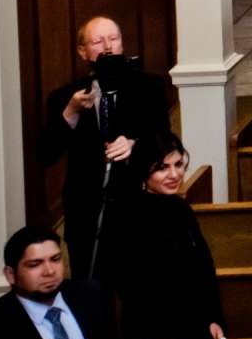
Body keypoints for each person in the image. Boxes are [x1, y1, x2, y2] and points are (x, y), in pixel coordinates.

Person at [39, 14, 170, 276]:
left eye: (114, 39)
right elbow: (47, 154)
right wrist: (71, 113)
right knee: (91, 290)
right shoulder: (65, 97)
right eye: (98, 41)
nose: (108, 47)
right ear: (82, 51)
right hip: (86, 213)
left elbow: (164, 142)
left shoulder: (150, 88)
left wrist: (134, 142)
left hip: (136, 207)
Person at [94, 133, 224, 339]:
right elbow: (144, 285)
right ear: (144, 170)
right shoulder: (128, 213)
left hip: (187, 337)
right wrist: (197, 326)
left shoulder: (179, 208)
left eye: (178, 165)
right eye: (162, 168)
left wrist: (212, 319)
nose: (174, 174)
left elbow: (203, 269)